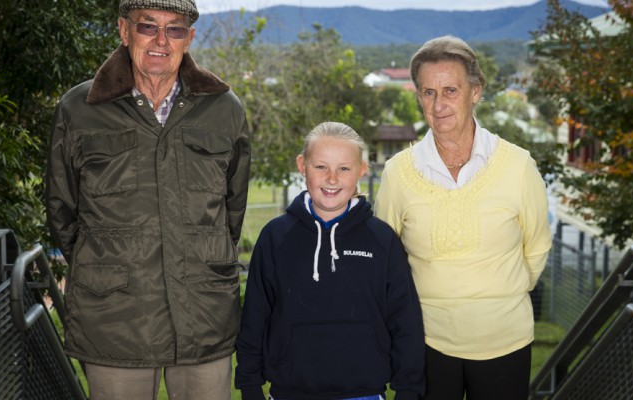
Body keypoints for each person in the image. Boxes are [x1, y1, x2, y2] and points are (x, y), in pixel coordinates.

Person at [45, 0, 250, 398]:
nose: (161, 40)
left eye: (174, 29)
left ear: (189, 39)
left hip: (203, 315)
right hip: (115, 321)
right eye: (147, 26)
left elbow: (232, 211)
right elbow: (62, 210)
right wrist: (107, 265)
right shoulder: (79, 109)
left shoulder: (224, 109)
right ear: (124, 31)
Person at [374, 35, 552, 400]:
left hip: (505, 340)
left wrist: (497, 298)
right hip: (425, 342)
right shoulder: (398, 173)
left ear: (476, 92)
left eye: (450, 90)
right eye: (428, 92)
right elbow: (384, 260)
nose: (439, 104)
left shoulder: (518, 166)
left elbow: (536, 248)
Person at [235, 121, 426, 400]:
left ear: (361, 169)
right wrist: (250, 386)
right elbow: (254, 317)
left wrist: (409, 389)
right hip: (290, 393)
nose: (332, 179)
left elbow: (405, 321)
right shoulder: (275, 237)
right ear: (302, 165)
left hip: (364, 393)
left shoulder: (382, 240)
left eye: (344, 168)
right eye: (321, 167)